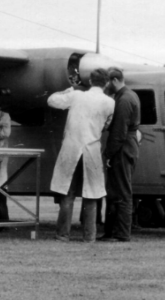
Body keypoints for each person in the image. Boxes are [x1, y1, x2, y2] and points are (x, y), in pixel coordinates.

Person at [48, 68, 115, 242]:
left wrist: (69, 89)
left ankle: (62, 234)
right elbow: (107, 125)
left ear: (90, 81)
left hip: (71, 148)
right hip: (92, 149)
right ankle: (89, 236)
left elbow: (51, 100)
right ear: (107, 83)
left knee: (67, 193)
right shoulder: (110, 102)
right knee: (91, 195)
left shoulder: (77, 95)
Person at [100, 68, 140, 242]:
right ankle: (112, 232)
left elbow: (119, 132)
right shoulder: (128, 95)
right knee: (116, 191)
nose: (105, 86)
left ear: (114, 80)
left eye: (107, 82)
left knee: (122, 192)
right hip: (126, 146)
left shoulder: (124, 99)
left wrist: (108, 154)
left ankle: (121, 233)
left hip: (122, 148)